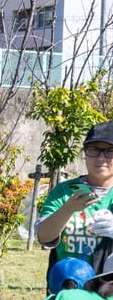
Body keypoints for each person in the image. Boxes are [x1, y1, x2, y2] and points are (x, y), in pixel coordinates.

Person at [35, 120, 113, 280]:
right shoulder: (63, 192)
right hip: (68, 290)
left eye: (110, 151)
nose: (101, 157)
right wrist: (68, 208)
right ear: (84, 153)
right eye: (94, 149)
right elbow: (44, 237)